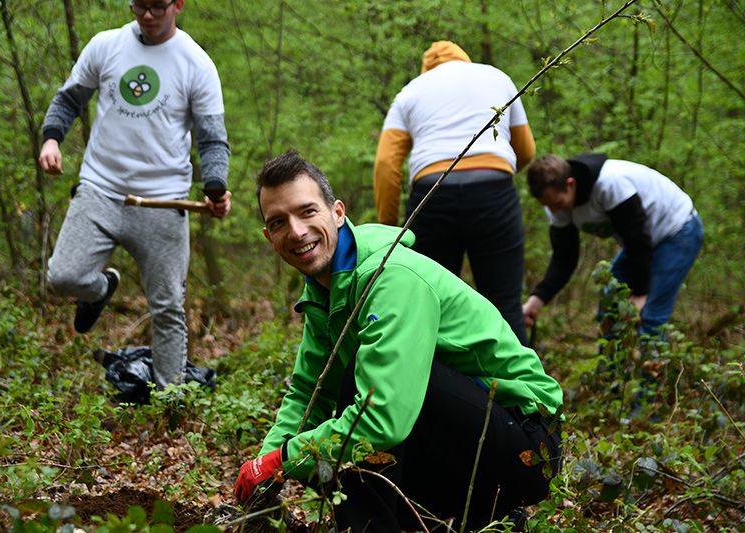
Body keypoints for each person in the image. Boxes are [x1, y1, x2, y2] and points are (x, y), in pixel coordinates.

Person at [236, 150, 563, 531]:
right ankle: (466, 519)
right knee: (324, 439)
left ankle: (460, 512)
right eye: (278, 222)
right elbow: (310, 393)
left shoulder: (391, 277)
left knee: (362, 395)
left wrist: (283, 458)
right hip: (463, 437)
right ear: (269, 237)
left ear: (337, 213)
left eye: (307, 211)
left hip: (527, 444)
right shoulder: (324, 292)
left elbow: (382, 420)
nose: (296, 231)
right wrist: (266, 465)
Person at [39, 0, 231, 389]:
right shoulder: (105, 45)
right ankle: (100, 290)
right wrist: (51, 139)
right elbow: (69, 98)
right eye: (140, 5)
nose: (147, 15)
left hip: (164, 201)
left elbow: (212, 139)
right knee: (63, 277)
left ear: (178, 5)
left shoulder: (196, 63)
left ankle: (170, 397)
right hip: (100, 189)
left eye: (158, 6)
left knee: (167, 307)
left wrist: (215, 185)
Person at [373, 40, 536, 345]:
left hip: (432, 197)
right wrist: (495, 175)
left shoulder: (409, 93)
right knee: (505, 305)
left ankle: (440, 376)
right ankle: (522, 377)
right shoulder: (497, 78)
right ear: (465, 59)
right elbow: (526, 150)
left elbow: (385, 165)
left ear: (426, 68)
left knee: (432, 305)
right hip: (494, 193)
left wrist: (390, 227)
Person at [522, 154, 703, 339]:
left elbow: (637, 238)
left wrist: (640, 292)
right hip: (642, 243)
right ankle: (611, 358)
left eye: (557, 204)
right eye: (548, 206)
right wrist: (537, 300)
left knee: (651, 315)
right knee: (609, 307)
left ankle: (653, 356)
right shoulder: (556, 203)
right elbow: (564, 258)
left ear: (570, 184)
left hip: (678, 230)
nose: (554, 211)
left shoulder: (609, 183)